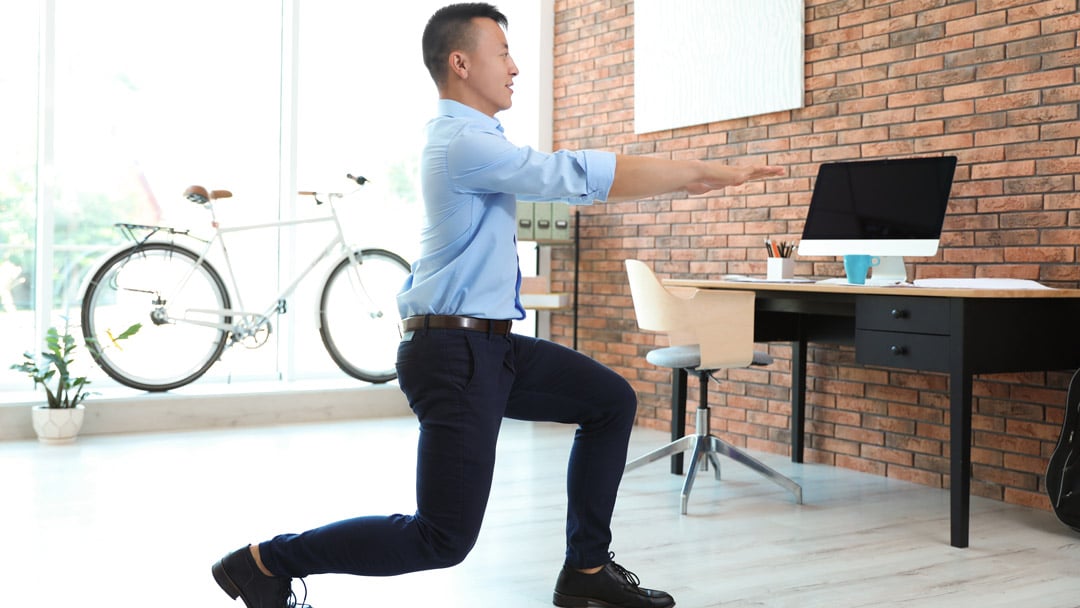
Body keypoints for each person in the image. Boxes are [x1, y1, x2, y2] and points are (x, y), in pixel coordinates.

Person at [210, 4, 784, 607]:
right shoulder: (462, 143)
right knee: (441, 539)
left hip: (488, 346)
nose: (514, 68)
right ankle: (264, 562)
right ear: (460, 63)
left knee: (610, 401)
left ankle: (586, 571)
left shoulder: (476, 140)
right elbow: (569, 174)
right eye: (503, 52)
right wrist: (694, 171)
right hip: (454, 354)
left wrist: (687, 176)